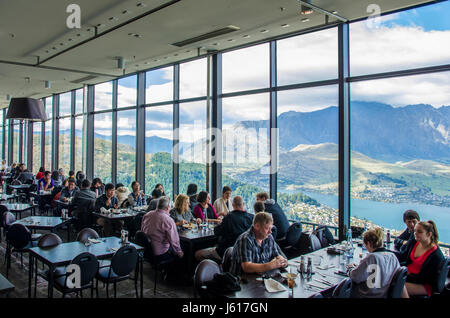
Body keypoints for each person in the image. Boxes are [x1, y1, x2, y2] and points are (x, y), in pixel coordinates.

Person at [195, 196, 253, 263]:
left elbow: (217, 231)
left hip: (225, 252)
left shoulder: (229, 217)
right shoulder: (251, 218)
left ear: (233, 205)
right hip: (244, 253)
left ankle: (216, 268)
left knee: (198, 254)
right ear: (243, 204)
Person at [346, 227, 400, 298]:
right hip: (385, 294)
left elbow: (355, 277)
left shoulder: (371, 257)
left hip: (368, 295)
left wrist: (350, 269)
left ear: (368, 243)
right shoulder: (392, 256)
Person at [229, 212, 287, 277]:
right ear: (257, 226)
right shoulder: (245, 239)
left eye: (271, 228)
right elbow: (247, 267)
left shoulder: (269, 237)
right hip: (243, 280)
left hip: (262, 276)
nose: (270, 232)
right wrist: (271, 265)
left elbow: (276, 255)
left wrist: (281, 261)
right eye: (267, 228)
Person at [398, 220, 446, 298]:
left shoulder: (436, 255)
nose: (415, 233)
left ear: (429, 234)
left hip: (423, 283)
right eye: (415, 231)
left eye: (419, 232)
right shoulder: (415, 242)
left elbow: (424, 279)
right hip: (408, 275)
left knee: (397, 287)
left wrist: (403, 276)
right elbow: (406, 260)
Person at [141, 196, 185, 279]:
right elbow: (174, 241)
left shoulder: (147, 215)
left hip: (146, 251)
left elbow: (142, 231)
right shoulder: (168, 220)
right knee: (184, 249)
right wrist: (180, 252)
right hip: (160, 253)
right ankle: (178, 278)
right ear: (168, 207)